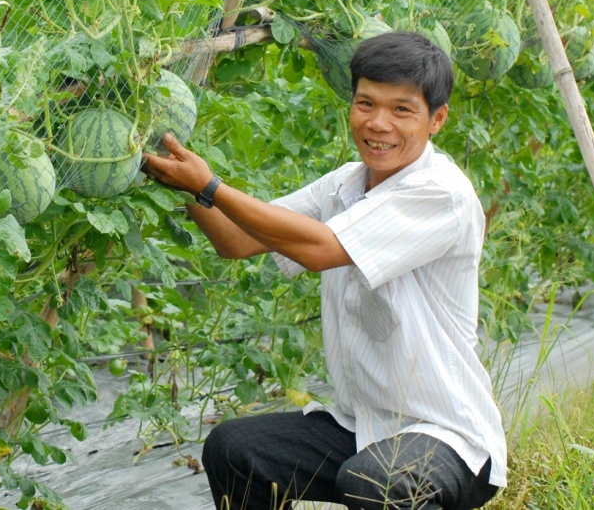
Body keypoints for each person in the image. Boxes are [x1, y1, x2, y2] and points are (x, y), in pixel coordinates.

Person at [141, 32, 506, 510]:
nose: (378, 124)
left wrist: (210, 185)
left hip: (448, 439)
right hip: (362, 427)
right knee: (235, 449)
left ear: (436, 119)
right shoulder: (343, 186)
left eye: (401, 110)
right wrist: (174, 175)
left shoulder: (442, 194)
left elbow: (320, 249)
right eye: (365, 103)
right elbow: (235, 239)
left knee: (375, 480)